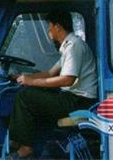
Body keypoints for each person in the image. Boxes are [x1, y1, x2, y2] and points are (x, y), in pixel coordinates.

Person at [7, 10, 98, 159]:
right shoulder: (68, 46)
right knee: (32, 96)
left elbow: (67, 80)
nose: (48, 30)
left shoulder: (74, 46)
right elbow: (50, 73)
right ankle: (18, 142)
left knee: (24, 97)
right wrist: (25, 77)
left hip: (78, 102)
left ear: (58, 26)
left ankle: (25, 147)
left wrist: (32, 82)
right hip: (72, 98)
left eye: (49, 26)